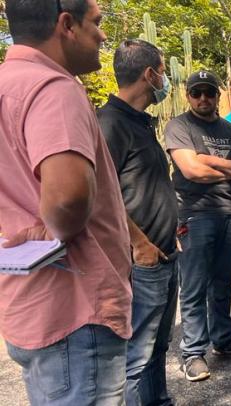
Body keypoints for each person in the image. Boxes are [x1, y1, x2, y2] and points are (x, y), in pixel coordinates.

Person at [0, 1, 133, 404]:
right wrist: (54, 226)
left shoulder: (7, 84)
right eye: (96, 23)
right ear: (66, 25)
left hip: (27, 305)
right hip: (77, 310)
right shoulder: (53, 88)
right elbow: (68, 195)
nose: (103, 36)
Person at [97, 39, 179, 406]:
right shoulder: (109, 123)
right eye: (162, 72)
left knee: (159, 346)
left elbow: (140, 186)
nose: (165, 80)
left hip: (164, 254)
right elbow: (99, 193)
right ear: (150, 74)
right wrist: (139, 243)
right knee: (137, 358)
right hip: (141, 263)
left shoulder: (140, 123)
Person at [165, 70, 231, 382]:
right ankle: (193, 352)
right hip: (194, 213)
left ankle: (223, 338)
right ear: (188, 96)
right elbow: (191, 171)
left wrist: (210, 161)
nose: (203, 98)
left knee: (222, 282)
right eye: (196, 93)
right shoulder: (179, 126)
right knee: (193, 285)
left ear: (218, 96)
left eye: (208, 92)